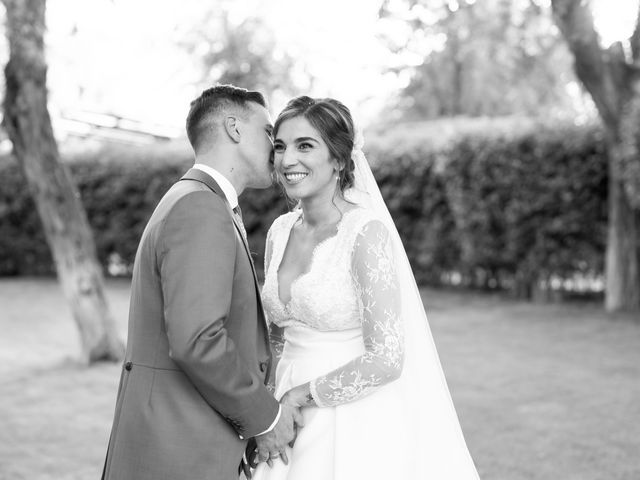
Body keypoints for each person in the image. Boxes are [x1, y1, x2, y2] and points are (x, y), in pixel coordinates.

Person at [250, 96, 481, 479]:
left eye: (305, 145)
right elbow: (277, 333)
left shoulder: (365, 233)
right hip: (283, 407)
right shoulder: (280, 231)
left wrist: (298, 396)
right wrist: (271, 406)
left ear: (339, 160)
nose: (287, 160)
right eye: (280, 146)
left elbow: (386, 358)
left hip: (350, 413)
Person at [101, 85, 303, 480]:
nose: (276, 147)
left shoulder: (193, 199)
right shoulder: (200, 207)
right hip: (179, 448)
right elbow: (198, 340)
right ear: (233, 128)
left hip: (178, 439)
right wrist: (265, 418)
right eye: (268, 132)